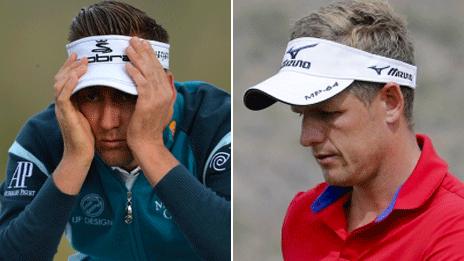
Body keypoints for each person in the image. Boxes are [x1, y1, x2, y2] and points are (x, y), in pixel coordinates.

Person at [0, 1, 230, 261]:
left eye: (127, 96)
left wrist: (149, 147)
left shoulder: (215, 120)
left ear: (165, 89)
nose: (108, 122)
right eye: (91, 96)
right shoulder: (47, 135)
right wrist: (74, 160)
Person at [243, 0, 464, 260]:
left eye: (328, 114)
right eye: (301, 114)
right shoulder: (302, 216)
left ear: (391, 102)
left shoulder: (454, 230)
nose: (307, 138)